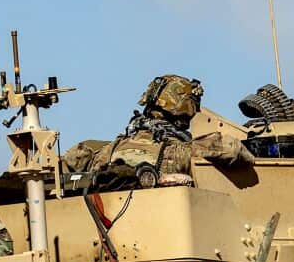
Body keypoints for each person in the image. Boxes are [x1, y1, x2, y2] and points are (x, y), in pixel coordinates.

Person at [63, 74, 254, 188]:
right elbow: (233, 150)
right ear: (186, 111)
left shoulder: (106, 152)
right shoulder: (180, 153)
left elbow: (69, 160)